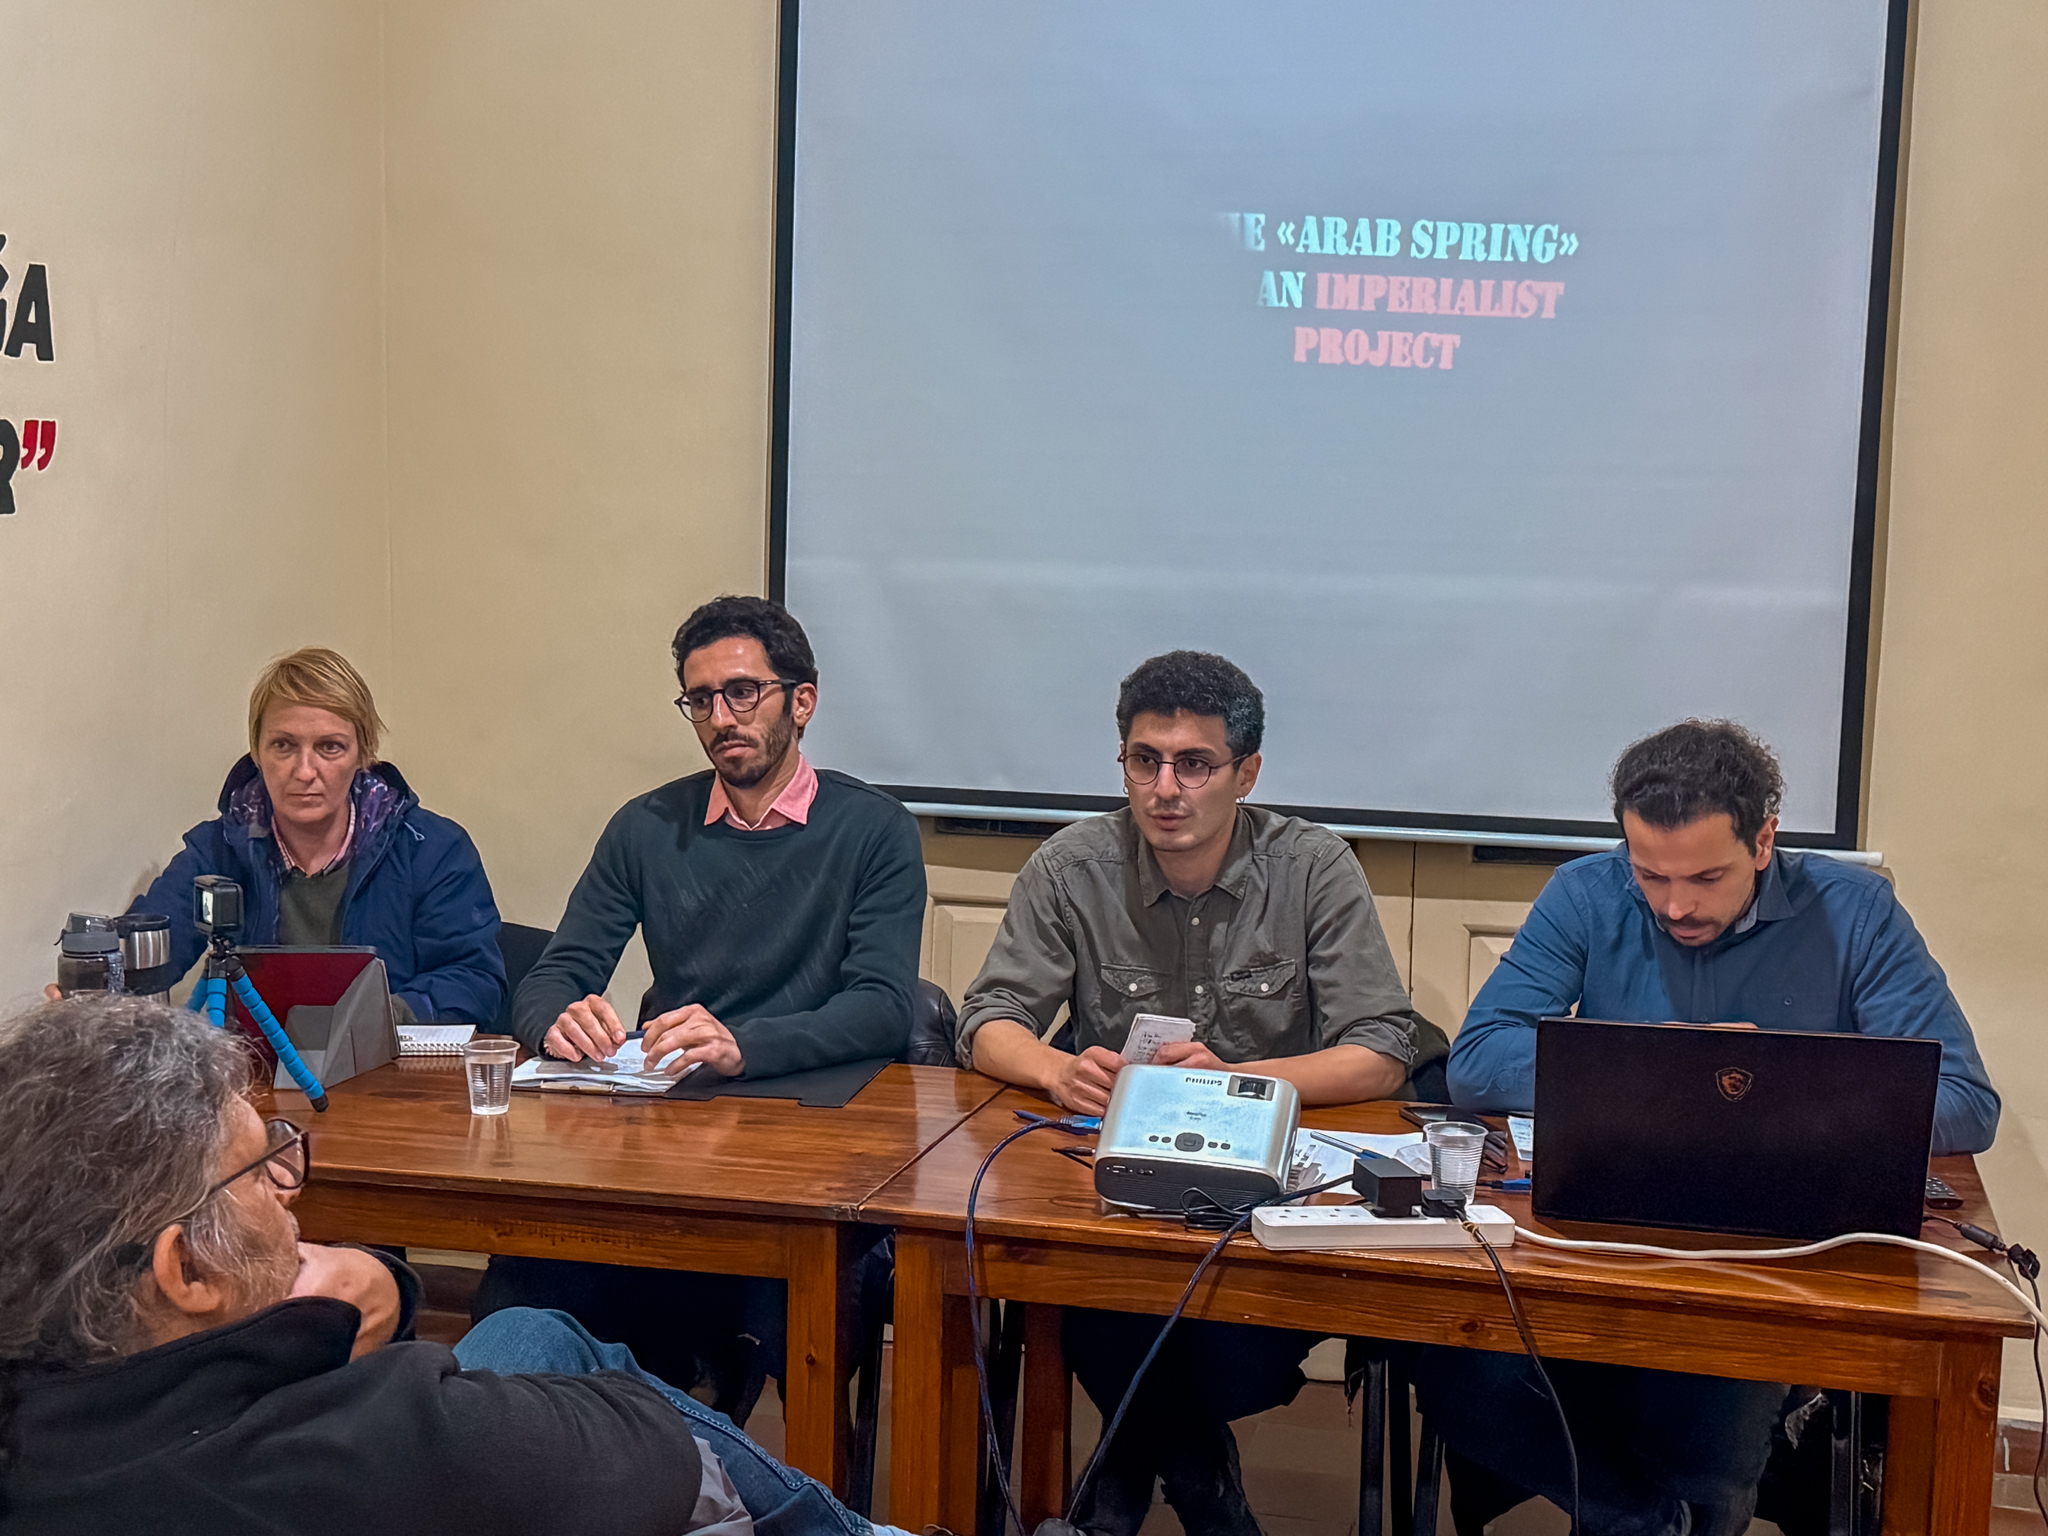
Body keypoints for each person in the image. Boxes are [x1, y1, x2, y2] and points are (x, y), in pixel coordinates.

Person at [0, 995, 906, 1536]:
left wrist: (364, 1298)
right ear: (187, 1273)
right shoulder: (382, 1441)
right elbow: (654, 1451)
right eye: (261, 1168)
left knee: (527, 1327)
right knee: (555, 1347)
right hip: (588, 1456)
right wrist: (320, 1341)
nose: (288, 1188)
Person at [1420, 718, 2002, 1536]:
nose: (1676, 905)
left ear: (1764, 841)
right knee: (1454, 1363)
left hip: (1773, 1253)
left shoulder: (1856, 911)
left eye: (1705, 876)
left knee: (1707, 1430)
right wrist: (1666, 1065)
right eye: (1650, 875)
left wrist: (1769, 1090)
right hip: (1596, 1229)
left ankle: (1672, 1515)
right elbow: (1477, 1060)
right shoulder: (1586, 893)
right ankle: (1642, 1521)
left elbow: (1967, 1101)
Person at [957, 650, 1450, 1536]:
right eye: (1144, 761)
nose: (1165, 789)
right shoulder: (1072, 866)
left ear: (1245, 773)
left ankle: (1141, 1474)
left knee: (1219, 1346)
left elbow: (1382, 1051)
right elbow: (988, 1019)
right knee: (1093, 1303)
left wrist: (1238, 1082)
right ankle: (1198, 1482)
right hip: (1123, 1193)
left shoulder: (1312, 867)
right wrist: (1055, 1069)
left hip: (1268, 1202)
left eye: (1194, 765)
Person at [476, 595, 926, 1409]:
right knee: (525, 1275)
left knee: (798, 1306)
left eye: (743, 692)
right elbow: (552, 974)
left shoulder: (873, 829)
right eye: (701, 699)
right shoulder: (648, 826)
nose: (722, 718)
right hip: (669, 1143)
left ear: (801, 701)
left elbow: (883, 1006)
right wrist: (557, 1020)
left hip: (807, 1145)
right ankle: (558, 1452)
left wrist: (744, 1045)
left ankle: (753, 1453)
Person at [126, 646, 504, 1024]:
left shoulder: (432, 850)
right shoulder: (219, 850)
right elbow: (143, 954)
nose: (305, 771)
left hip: (386, 1055)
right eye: (284, 746)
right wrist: (100, 973)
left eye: (330, 747)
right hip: (255, 1058)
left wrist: (379, 1018)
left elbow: (475, 980)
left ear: (363, 755)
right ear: (256, 752)